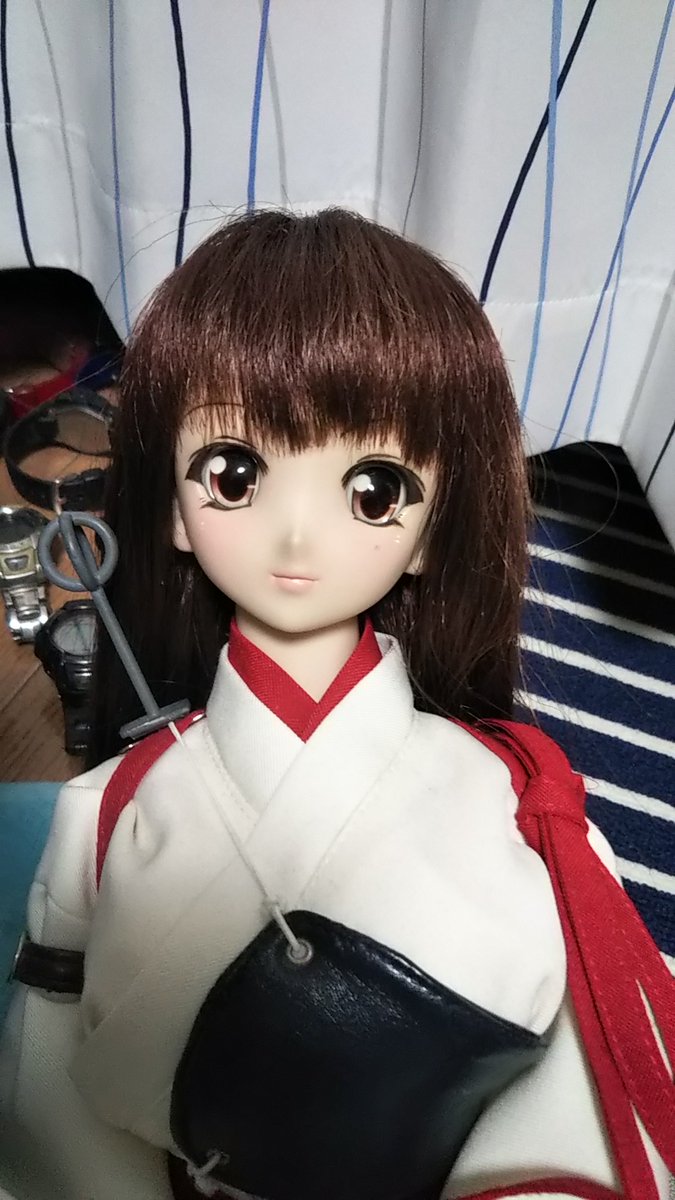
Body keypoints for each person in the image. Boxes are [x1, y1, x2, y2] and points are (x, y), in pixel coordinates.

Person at [0, 209, 673, 1200]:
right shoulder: (104, 813)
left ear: (432, 529)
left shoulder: (513, 798)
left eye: (374, 488)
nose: (296, 536)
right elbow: (56, 1111)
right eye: (233, 475)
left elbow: (581, 1080)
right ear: (176, 510)